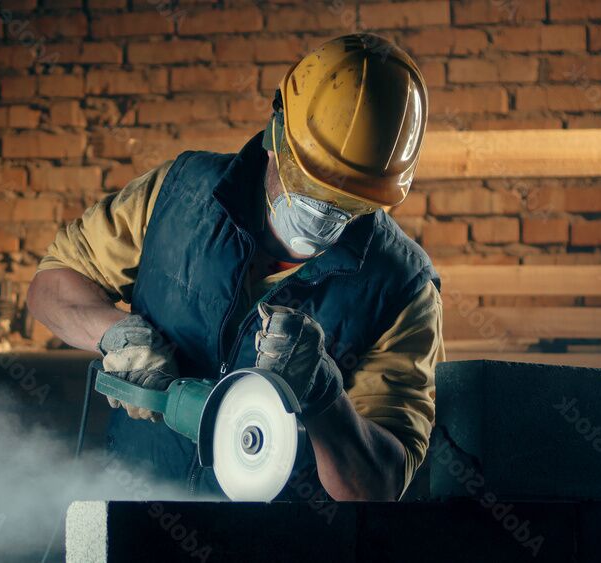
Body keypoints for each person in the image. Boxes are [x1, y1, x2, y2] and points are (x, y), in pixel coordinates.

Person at [28, 33, 443, 501]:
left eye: (350, 202)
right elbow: (52, 286)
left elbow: (380, 486)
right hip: (137, 518)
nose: (324, 211)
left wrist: (324, 397)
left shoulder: (403, 286)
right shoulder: (177, 195)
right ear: (276, 136)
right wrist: (117, 334)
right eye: (310, 184)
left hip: (278, 546)